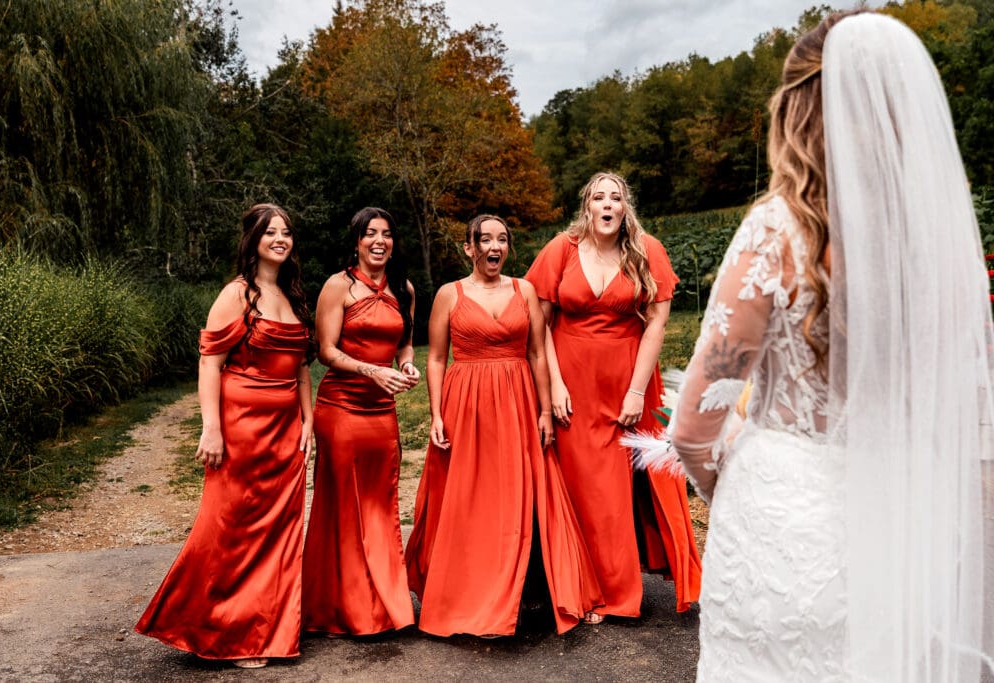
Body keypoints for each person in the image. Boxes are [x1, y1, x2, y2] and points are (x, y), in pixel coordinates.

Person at [664, 11, 994, 680]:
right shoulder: (933, 238)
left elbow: (695, 426)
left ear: (797, 111)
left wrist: (726, 481)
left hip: (786, 532)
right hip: (905, 530)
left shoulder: (778, 231)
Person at [405, 215, 604, 637]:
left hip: (517, 401)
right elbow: (437, 358)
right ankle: (470, 595)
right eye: (485, 240)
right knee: (470, 497)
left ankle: (529, 589)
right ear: (469, 247)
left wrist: (546, 410)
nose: (494, 247)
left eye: (502, 240)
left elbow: (536, 353)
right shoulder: (449, 294)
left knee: (524, 494)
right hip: (467, 405)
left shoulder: (524, 290)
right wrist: (437, 413)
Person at [135, 203, 313, 669]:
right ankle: (221, 629)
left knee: (278, 529)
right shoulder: (237, 294)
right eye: (270, 232)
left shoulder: (293, 294)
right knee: (230, 526)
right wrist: (211, 428)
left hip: (285, 429)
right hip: (242, 426)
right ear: (253, 240)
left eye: (286, 232)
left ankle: (264, 626)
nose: (280, 238)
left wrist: (308, 420)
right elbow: (210, 362)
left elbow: (300, 368)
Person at [525, 172, 701, 622]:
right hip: (572, 384)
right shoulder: (560, 250)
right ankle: (584, 590)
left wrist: (637, 391)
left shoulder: (647, 250)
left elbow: (657, 325)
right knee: (586, 489)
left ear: (625, 207)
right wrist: (556, 385)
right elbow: (538, 323)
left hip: (628, 382)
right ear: (587, 206)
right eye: (599, 196)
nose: (607, 204)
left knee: (619, 491)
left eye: (615, 197)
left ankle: (618, 595)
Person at [301, 207, 418, 636]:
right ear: (356, 241)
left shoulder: (404, 288)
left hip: (382, 412)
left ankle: (385, 604)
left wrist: (408, 367)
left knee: (381, 504)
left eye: (387, 234)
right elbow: (325, 351)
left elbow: (406, 343)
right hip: (341, 408)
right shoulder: (338, 286)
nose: (380, 241)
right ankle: (343, 608)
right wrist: (370, 370)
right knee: (344, 507)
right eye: (371, 234)